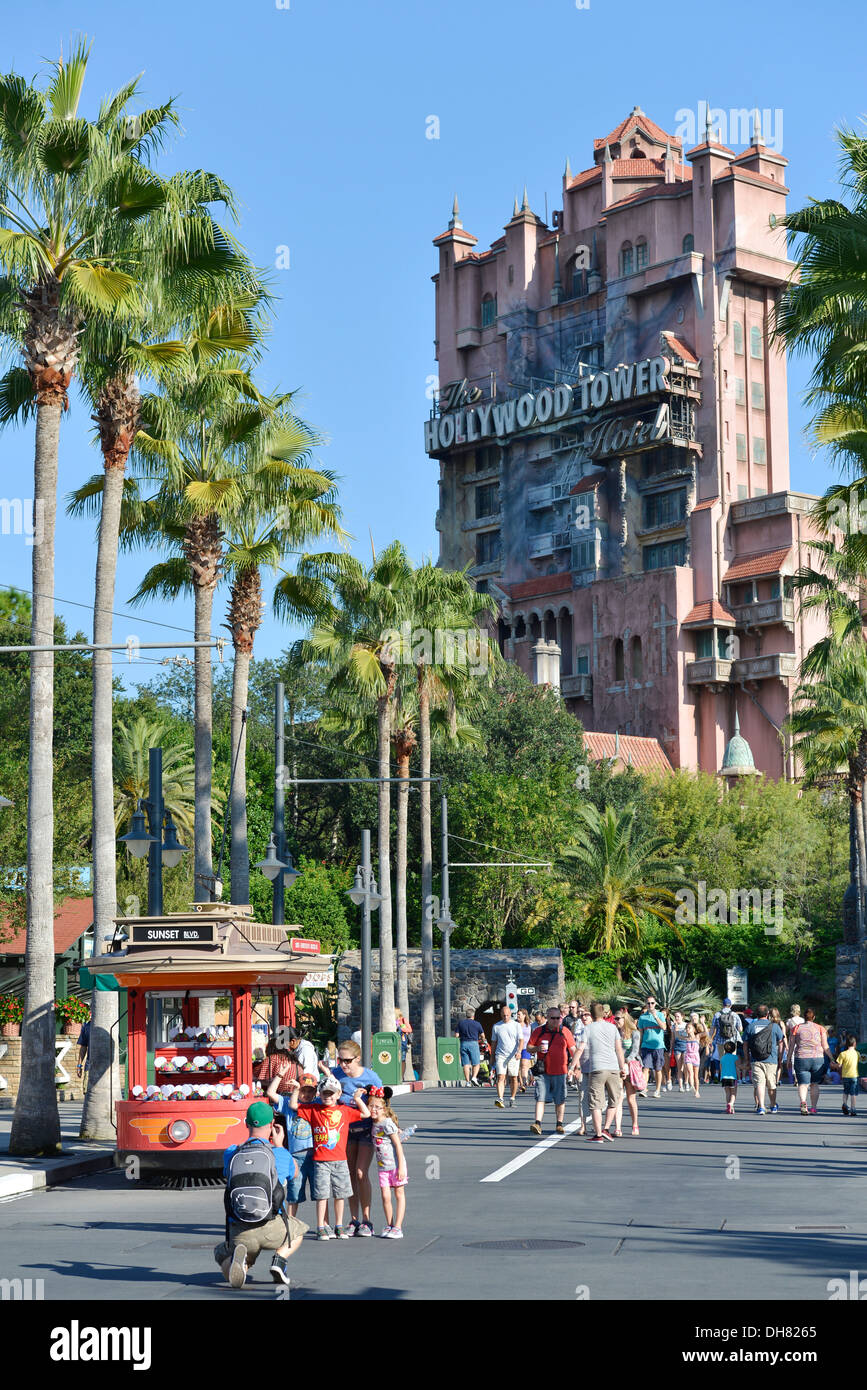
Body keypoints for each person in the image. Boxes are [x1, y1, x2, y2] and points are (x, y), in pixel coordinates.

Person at [214, 1100, 307, 1287]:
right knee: (300, 1230)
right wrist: (280, 1146)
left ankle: (237, 1262)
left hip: (240, 1229)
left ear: (246, 1123)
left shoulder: (231, 1152)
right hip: (271, 1225)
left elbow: (227, 1173)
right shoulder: (279, 1154)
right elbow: (295, 1172)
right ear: (272, 1124)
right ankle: (279, 1260)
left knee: (223, 1252)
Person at [285, 1074, 369, 1239]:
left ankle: (339, 1225)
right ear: (319, 1094)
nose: (328, 1096)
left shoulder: (344, 1111)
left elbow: (365, 1114)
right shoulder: (313, 1110)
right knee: (322, 1195)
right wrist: (296, 1090)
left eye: (332, 1093)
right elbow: (293, 1105)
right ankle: (321, 1226)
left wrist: (357, 1098)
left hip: (340, 1160)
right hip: (320, 1161)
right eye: (325, 1093)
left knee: (340, 1194)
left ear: (338, 1094)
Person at [322, 1039, 384, 1237]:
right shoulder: (337, 1074)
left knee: (360, 1173)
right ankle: (354, 1219)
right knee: (348, 1174)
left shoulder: (371, 1078)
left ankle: (367, 1220)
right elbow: (325, 1096)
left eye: (347, 1061)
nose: (343, 1065)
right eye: (340, 1060)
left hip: (366, 1129)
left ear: (358, 1059)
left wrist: (387, 1128)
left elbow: (382, 1105)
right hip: (343, 1131)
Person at [582, 1002, 627, 1142]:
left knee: (596, 1102)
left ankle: (598, 1134)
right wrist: (622, 1067)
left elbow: (580, 1048)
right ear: (603, 1013)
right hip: (613, 1067)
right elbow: (619, 1049)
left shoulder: (588, 1028)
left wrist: (572, 1066)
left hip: (597, 1068)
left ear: (591, 1013)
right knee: (614, 1099)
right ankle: (606, 1128)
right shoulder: (613, 1027)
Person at [529, 1005, 576, 1136]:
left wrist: (575, 1066)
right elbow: (529, 1047)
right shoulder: (539, 1031)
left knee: (560, 1099)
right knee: (540, 1097)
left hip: (561, 1070)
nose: (556, 1020)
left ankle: (559, 1124)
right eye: (553, 1018)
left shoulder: (565, 1031)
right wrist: (538, 1049)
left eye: (558, 1018)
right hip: (543, 1071)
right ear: (547, 1018)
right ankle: (537, 1123)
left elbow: (573, 1050)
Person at [368, 1087, 408, 1238]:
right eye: (371, 1106)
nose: (373, 1109)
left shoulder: (387, 1123)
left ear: (384, 1109)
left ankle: (398, 1226)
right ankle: (389, 1224)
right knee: (385, 1196)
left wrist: (401, 1167)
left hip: (396, 1166)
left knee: (399, 1194)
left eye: (377, 1107)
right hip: (382, 1168)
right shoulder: (373, 1124)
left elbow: (398, 1145)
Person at [275, 1072, 317, 1216]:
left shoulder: (316, 1106)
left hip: (314, 1155)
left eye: (310, 1091)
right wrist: (281, 1074)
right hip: (296, 1156)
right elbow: (270, 1093)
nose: (306, 1094)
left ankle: (323, 1225)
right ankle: (291, 1222)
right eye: (303, 1090)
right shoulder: (288, 1103)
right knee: (294, 1193)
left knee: (320, 1194)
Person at [790, 1008, 834, 1115]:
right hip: (817, 1059)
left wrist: (788, 1058)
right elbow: (825, 1046)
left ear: (804, 1017)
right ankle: (813, 1108)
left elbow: (791, 1046)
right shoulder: (820, 1029)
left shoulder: (796, 1028)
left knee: (803, 1084)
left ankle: (803, 1103)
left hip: (801, 1059)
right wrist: (832, 1059)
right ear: (814, 1017)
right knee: (814, 1084)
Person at [744, 1005, 784, 1114]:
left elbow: (745, 1044)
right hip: (771, 1059)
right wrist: (780, 1057)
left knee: (759, 1084)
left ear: (756, 1014)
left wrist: (747, 1059)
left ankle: (761, 1106)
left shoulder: (751, 1026)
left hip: (756, 1059)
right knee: (771, 1083)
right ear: (767, 1014)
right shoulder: (775, 1026)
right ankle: (772, 1105)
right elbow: (781, 1043)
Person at [612, 1009, 642, 1136]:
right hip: (617, 1067)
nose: (616, 1021)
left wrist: (626, 1062)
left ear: (625, 1019)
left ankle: (635, 1124)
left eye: (618, 1018)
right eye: (615, 1018)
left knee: (631, 1099)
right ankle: (617, 1127)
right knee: (618, 1099)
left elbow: (635, 1050)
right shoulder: (615, 1032)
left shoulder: (634, 1033)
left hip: (630, 1066)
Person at [491, 1004, 523, 1110]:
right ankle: (500, 1098)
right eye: (504, 1015)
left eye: (507, 1015)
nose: (505, 1017)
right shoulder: (496, 1026)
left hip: (513, 1055)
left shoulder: (516, 1025)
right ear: (501, 1015)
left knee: (513, 1077)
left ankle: (512, 1098)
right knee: (500, 1076)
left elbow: (521, 1040)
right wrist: (492, 1056)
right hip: (501, 1054)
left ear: (510, 1015)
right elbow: (494, 1042)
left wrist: (519, 1051)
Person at [637, 995, 667, 1098]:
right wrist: (638, 1047)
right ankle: (644, 1089)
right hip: (646, 1045)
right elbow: (640, 1033)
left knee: (658, 1069)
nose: (650, 1005)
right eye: (648, 1003)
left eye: (652, 1003)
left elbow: (664, 1027)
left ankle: (657, 1090)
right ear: (646, 1004)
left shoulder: (660, 1014)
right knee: (645, 1068)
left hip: (658, 1046)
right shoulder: (642, 1017)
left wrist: (655, 1017)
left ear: (655, 1004)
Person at [711, 999, 743, 1069]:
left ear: (723, 1005)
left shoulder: (717, 1014)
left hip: (720, 1040)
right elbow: (740, 1029)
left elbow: (713, 1028)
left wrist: (710, 1038)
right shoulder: (735, 1015)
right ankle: (731, 1077)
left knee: (722, 1059)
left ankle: (723, 1077)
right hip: (732, 1040)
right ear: (730, 1006)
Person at [455, 1011, 485, 1087]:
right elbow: (482, 1035)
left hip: (463, 1043)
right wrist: (482, 1040)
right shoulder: (477, 1024)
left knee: (466, 1064)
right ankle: (474, 1077)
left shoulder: (461, 1023)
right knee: (476, 1063)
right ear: (473, 1016)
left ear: (466, 1015)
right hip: (474, 1043)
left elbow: (456, 1035)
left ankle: (468, 1082)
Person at [835, 1034, 861, 1116]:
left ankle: (845, 1104)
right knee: (853, 1094)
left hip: (845, 1076)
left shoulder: (843, 1054)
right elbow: (860, 1061)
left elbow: (838, 1065)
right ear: (854, 1044)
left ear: (846, 1044)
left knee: (846, 1091)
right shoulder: (857, 1053)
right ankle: (853, 1108)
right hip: (854, 1076)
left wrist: (833, 1064)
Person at [516, 1008, 533, 1091]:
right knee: (518, 1067)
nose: (518, 1016)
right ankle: (521, 1084)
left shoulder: (529, 1025)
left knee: (524, 1065)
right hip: (516, 1048)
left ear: (524, 1015)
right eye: (517, 1014)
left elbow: (533, 1036)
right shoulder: (514, 1025)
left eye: (519, 1014)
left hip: (526, 1048)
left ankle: (524, 1080)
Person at [671, 1011, 689, 1091]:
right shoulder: (673, 1026)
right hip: (677, 1046)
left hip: (685, 1046)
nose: (676, 1018)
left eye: (678, 1016)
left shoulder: (686, 1025)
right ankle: (681, 1086)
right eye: (675, 1016)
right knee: (679, 1067)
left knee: (685, 1065)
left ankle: (686, 1082)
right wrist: (671, 1048)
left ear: (682, 1017)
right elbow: (673, 1038)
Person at [684, 1022, 701, 1098]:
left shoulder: (697, 1037)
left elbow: (705, 1032)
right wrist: (675, 1028)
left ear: (693, 1029)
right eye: (687, 1028)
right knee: (690, 1072)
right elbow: (677, 1036)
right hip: (688, 1056)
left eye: (689, 1028)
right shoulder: (686, 1038)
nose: (687, 1029)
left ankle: (697, 1091)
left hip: (695, 1057)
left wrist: (703, 1023)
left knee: (696, 1076)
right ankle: (691, 1085)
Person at [721, 1040, 738, 1114]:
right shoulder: (735, 1057)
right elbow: (738, 1066)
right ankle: (731, 1104)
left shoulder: (722, 1058)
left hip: (724, 1077)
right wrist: (745, 1067)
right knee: (733, 1093)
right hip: (732, 1077)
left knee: (727, 1093)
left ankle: (730, 1108)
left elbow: (721, 1067)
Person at [396, 1012, 413, 1079]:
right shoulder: (392, 1020)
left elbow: (410, 1030)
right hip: (395, 1043)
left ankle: (401, 1076)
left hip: (403, 1043)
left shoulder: (403, 1020)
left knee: (402, 1060)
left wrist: (401, 1027)